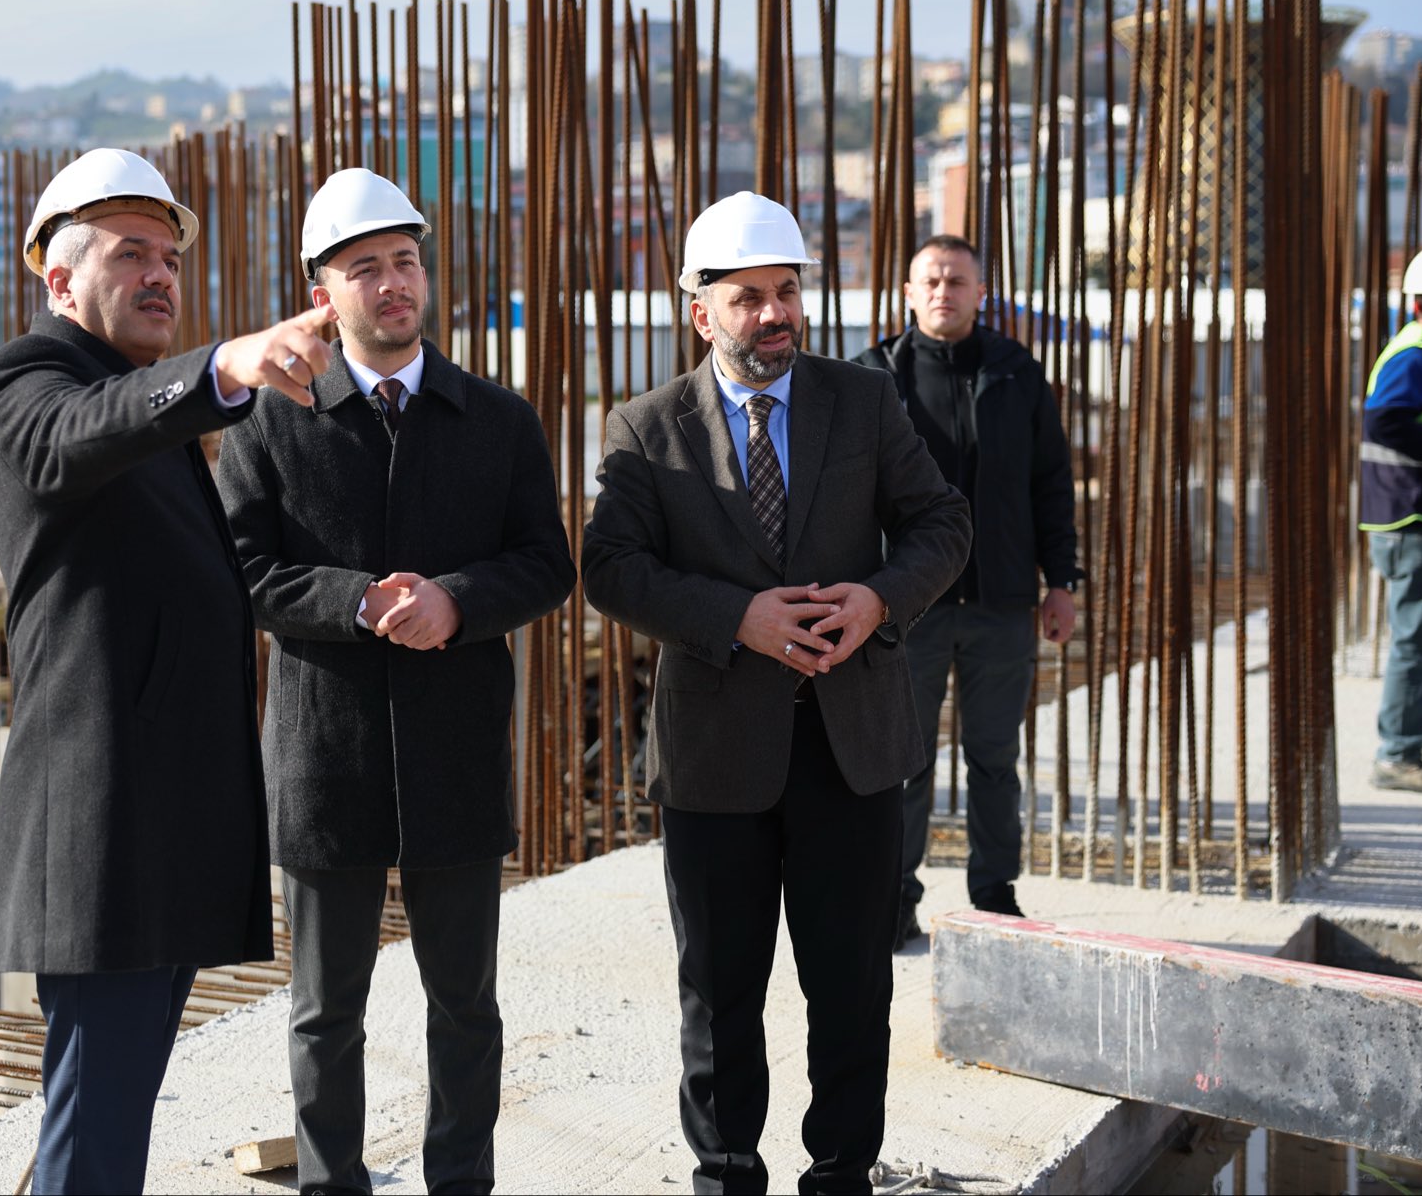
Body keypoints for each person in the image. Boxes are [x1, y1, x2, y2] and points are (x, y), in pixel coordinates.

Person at [582, 192, 969, 1195]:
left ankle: (839, 1173)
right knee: (718, 990)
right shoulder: (643, 428)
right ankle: (724, 1172)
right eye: (748, 297)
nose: (773, 315)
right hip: (714, 754)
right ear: (698, 310)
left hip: (851, 748)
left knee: (849, 987)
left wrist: (877, 599)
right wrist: (735, 617)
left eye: (787, 292)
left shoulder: (863, 399)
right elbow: (611, 570)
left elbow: (940, 525)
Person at [0, 148, 337, 1195]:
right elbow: (71, 438)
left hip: (154, 822)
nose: (161, 275)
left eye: (170, 256)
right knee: (96, 1122)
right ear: (58, 280)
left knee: (99, 1114)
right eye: (131, 253)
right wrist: (221, 367)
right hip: (103, 828)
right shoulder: (30, 382)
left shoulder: (143, 407)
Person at [218, 168, 574, 1196]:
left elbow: (545, 561)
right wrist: (357, 600)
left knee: (465, 1005)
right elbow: (241, 575)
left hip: (455, 755)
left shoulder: (496, 420)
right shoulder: (265, 424)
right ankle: (333, 1184)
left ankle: (459, 1182)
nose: (391, 285)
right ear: (319, 291)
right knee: (325, 1010)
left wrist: (456, 599)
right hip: (325, 761)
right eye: (364, 267)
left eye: (405, 262)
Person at [852, 234, 1082, 945]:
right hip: (905, 604)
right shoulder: (873, 378)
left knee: (993, 758)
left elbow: (1051, 485)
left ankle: (994, 898)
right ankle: (893, 897)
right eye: (931, 280)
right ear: (909, 292)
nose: (943, 292)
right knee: (903, 760)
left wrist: (1062, 581)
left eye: (957, 280)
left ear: (981, 292)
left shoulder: (1017, 374)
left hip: (1001, 600)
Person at [1360, 244, 1422, 793]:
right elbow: (1385, 420)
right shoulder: (1419, 353)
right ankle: (1397, 753)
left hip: (1411, 513)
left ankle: (1419, 742)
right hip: (1408, 517)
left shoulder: (1421, 347)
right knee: (1413, 637)